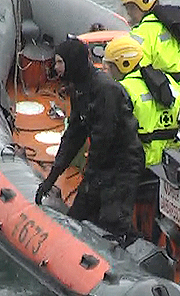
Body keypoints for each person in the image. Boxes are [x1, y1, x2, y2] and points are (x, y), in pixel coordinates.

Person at [35, 37, 145, 245]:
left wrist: (91, 179)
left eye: (59, 62)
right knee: (77, 216)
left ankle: (131, 244)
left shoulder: (105, 90)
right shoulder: (79, 88)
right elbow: (73, 136)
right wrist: (52, 177)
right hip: (102, 166)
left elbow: (104, 137)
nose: (55, 67)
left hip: (122, 166)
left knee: (112, 225)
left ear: (72, 62)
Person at [102, 35, 180, 168]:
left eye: (110, 65)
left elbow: (109, 131)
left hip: (139, 163)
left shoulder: (122, 89)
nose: (106, 70)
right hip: (170, 162)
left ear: (123, 64)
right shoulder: (168, 81)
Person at [121, 0, 180, 95]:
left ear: (143, 5)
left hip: (172, 103)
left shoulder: (141, 34)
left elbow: (132, 75)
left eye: (130, 8)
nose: (128, 13)